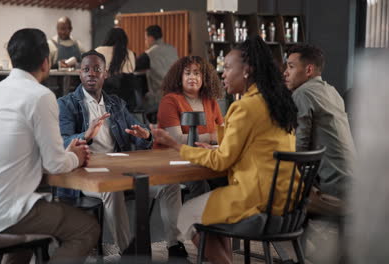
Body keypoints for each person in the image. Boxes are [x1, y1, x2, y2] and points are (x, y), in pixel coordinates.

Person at [152, 36, 298, 264]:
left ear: (247, 70)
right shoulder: (276, 101)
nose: (222, 74)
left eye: (228, 68)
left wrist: (177, 146)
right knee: (208, 213)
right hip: (287, 198)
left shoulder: (245, 107)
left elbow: (221, 161)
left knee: (187, 214)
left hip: (257, 200)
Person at [0, 28, 99, 264]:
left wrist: (64, 155)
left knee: (29, 234)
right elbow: (55, 164)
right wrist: (75, 156)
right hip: (3, 212)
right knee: (87, 229)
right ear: (46, 63)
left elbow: (21, 150)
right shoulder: (40, 96)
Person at [56, 50, 188, 258]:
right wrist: (86, 135)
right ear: (79, 74)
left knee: (170, 185)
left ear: (105, 74)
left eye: (97, 69)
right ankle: (130, 253)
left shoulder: (116, 103)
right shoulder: (66, 104)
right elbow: (64, 141)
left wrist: (144, 136)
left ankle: (174, 245)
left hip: (120, 169)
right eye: (86, 69)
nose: (91, 73)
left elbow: (137, 134)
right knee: (113, 188)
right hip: (85, 172)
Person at [284, 44, 356, 199]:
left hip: (333, 189)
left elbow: (300, 150)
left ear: (309, 70)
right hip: (354, 182)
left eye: (291, 67)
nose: (285, 73)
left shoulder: (302, 94)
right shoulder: (332, 91)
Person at [156, 55, 224, 199]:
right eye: (187, 73)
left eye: (197, 73)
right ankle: (194, 221)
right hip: (173, 162)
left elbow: (223, 132)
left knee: (228, 177)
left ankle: (217, 219)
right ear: (179, 77)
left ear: (204, 78)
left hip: (202, 160)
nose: (192, 77)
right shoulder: (170, 101)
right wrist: (212, 137)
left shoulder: (210, 101)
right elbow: (176, 139)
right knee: (200, 184)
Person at [135, 25, 178, 122]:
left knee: (135, 110)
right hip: (177, 96)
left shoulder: (150, 54)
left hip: (160, 98)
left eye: (145, 39)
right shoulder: (172, 49)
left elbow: (132, 66)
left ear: (150, 38)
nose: (145, 42)